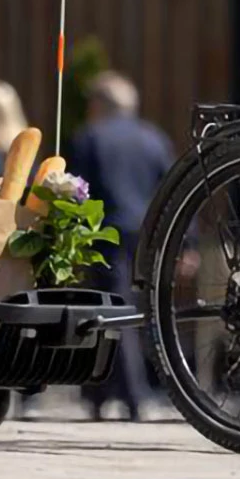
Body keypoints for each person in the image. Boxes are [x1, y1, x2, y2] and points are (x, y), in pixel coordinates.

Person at [67, 71, 175, 420]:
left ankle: (128, 396)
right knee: (143, 312)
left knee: (110, 313)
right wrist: (183, 244)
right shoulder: (154, 139)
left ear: (98, 104)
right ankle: (116, 394)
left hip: (108, 233)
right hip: (150, 235)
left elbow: (78, 192)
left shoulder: (90, 137)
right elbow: (171, 192)